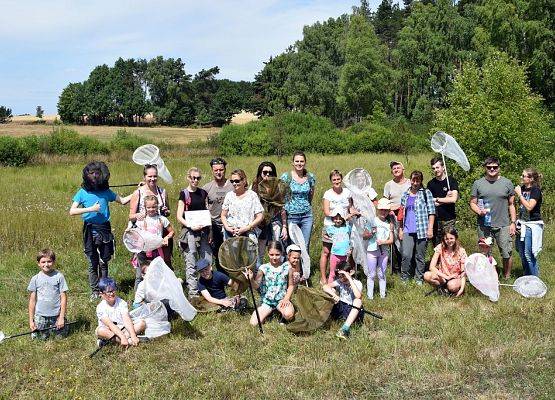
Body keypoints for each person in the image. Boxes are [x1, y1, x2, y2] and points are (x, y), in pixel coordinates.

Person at [69, 161, 132, 301]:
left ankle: (104, 289)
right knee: (93, 263)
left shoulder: (106, 192)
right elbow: (72, 211)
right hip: (90, 231)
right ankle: (94, 291)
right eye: (92, 173)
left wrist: (139, 191)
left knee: (104, 262)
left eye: (97, 173)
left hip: (105, 230)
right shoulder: (82, 192)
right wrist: (91, 209)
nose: (95, 176)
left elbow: (122, 201)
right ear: (87, 175)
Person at [470, 157, 516, 278]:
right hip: (484, 225)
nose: (492, 169)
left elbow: (511, 204)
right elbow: (472, 203)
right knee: (485, 252)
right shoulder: (478, 183)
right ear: (485, 168)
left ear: (499, 168)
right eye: (489, 167)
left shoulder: (507, 183)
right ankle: (488, 276)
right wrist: (479, 212)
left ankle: (507, 276)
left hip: (504, 224)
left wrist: (513, 222)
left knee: (506, 252)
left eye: (495, 167)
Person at [176, 167, 212, 298]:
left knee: (207, 260)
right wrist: (191, 225)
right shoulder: (184, 194)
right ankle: (193, 293)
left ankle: (208, 288)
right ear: (188, 178)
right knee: (191, 262)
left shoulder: (203, 193)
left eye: (198, 178)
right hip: (190, 233)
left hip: (204, 232)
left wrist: (210, 231)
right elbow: (179, 216)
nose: (195, 180)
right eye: (193, 178)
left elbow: (207, 212)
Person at [128, 164, 172, 267]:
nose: (153, 179)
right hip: (143, 236)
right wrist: (138, 215)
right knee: (143, 267)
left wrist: (166, 211)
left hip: (161, 234)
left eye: (155, 176)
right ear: (144, 177)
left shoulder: (162, 192)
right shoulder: (138, 193)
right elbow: (130, 216)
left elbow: (168, 212)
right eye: (150, 176)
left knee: (164, 264)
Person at [244, 241, 294, 325]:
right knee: (253, 323)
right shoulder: (263, 268)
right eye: (271, 255)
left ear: (281, 253)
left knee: (289, 315)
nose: (274, 257)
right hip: (267, 301)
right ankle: (269, 312)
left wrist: (286, 298)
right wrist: (251, 279)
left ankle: (282, 317)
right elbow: (256, 286)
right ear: (268, 254)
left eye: (277, 255)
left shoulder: (287, 267)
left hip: (281, 299)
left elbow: (291, 285)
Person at [399, 170, 435, 284]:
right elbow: (401, 213)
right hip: (407, 229)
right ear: (410, 180)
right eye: (413, 180)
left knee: (420, 255)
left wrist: (430, 228)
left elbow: (431, 212)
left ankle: (418, 278)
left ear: (421, 181)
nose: (415, 182)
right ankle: (404, 277)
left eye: (418, 180)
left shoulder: (426, 193)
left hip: (422, 229)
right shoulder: (405, 194)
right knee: (406, 255)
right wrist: (400, 229)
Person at [131, 195, 174, 290]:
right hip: (143, 251)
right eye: (149, 207)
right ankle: (137, 298)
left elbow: (172, 231)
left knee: (158, 273)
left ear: (158, 206)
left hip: (157, 251)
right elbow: (135, 233)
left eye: (154, 207)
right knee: (140, 274)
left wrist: (167, 237)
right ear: (145, 208)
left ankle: (158, 293)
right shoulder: (141, 220)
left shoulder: (162, 219)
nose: (151, 209)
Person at [320, 170, 355, 285]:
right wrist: (338, 218)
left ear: (341, 179)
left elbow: (351, 208)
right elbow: (326, 211)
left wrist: (351, 215)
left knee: (346, 252)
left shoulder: (347, 192)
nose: (336, 181)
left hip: (345, 227)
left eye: (338, 179)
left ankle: (346, 277)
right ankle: (324, 277)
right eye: (334, 179)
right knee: (326, 252)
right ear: (331, 181)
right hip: (330, 225)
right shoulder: (328, 194)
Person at [251, 161, 288, 266]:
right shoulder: (254, 187)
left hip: (275, 222)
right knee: (260, 252)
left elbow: (282, 208)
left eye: (270, 173)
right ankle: (259, 275)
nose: (267, 175)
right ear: (260, 173)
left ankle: (278, 273)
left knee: (276, 249)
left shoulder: (278, 187)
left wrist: (284, 226)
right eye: (265, 172)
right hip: (260, 224)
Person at [27, 249, 69, 339]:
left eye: (49, 261)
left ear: (53, 262)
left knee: (60, 338)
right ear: (38, 263)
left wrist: (61, 317)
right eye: (43, 262)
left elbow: (63, 298)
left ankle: (60, 324)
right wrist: (31, 321)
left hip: (56, 315)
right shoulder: (35, 279)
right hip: (41, 316)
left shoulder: (59, 277)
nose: (46, 264)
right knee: (38, 339)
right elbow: (32, 301)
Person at [280, 151, 316, 253]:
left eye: (301, 161)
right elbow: (281, 200)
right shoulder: (286, 177)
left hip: (307, 216)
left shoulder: (310, 177)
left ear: (305, 162)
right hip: (292, 216)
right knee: (294, 245)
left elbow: (311, 195)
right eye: (297, 161)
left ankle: (305, 268)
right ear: (293, 163)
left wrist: (305, 205)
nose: (299, 163)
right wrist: (284, 223)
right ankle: (293, 268)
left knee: (305, 245)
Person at [202, 157, 234, 270]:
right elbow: (204, 208)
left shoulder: (233, 185)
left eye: (221, 169)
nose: (219, 172)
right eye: (216, 170)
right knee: (217, 253)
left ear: (225, 170)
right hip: (214, 225)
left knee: (231, 253)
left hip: (231, 225)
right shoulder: (206, 188)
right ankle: (221, 277)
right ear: (212, 170)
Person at [95, 277, 145, 347]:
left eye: (113, 290)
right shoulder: (100, 307)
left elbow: (126, 319)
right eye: (109, 292)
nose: (112, 293)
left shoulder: (122, 302)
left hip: (123, 329)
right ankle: (129, 341)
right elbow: (110, 324)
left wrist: (133, 335)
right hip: (111, 331)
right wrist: (122, 337)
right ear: (102, 294)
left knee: (142, 323)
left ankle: (113, 342)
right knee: (100, 330)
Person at [221, 169, 264, 245]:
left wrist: (248, 227)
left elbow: (260, 216)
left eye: (237, 181)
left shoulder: (252, 195)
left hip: (248, 233)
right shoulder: (229, 195)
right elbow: (223, 215)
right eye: (232, 181)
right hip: (231, 234)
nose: (234, 183)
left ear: (244, 180)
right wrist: (227, 227)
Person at [322, 261, 363, 340]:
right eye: (339, 276)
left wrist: (349, 279)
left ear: (351, 272)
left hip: (353, 310)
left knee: (358, 301)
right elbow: (325, 287)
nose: (342, 279)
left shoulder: (357, 283)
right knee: (330, 291)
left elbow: (358, 296)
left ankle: (344, 329)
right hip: (341, 308)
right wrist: (334, 295)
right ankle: (323, 320)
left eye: (343, 276)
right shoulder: (339, 282)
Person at [514, 168, 543, 276]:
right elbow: (520, 207)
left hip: (532, 225)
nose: (521, 177)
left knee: (528, 254)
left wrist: (520, 194)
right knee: (521, 253)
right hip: (521, 223)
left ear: (531, 179)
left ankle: (535, 280)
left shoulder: (535, 190)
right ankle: (527, 278)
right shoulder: (522, 188)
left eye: (524, 176)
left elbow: (530, 207)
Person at [383, 161, 411, 274]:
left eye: (398, 167)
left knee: (407, 240)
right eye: (393, 168)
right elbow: (384, 201)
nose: (396, 170)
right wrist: (390, 210)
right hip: (393, 216)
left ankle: (409, 266)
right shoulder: (388, 185)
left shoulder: (410, 182)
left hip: (409, 215)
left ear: (403, 169)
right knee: (394, 241)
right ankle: (396, 268)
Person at [364, 198, 394, 299]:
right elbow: (364, 236)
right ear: (378, 210)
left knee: (382, 273)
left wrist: (383, 242)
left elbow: (391, 240)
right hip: (372, 251)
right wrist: (371, 233)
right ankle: (370, 296)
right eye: (381, 209)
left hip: (384, 251)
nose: (383, 212)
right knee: (371, 274)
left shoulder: (389, 224)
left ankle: (382, 296)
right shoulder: (372, 220)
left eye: (386, 210)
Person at [423, 228, 467, 296]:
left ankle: (453, 289)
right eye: (446, 239)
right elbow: (431, 267)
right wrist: (446, 277)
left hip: (455, 278)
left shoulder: (461, 251)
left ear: (456, 238)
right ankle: (443, 288)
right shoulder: (440, 247)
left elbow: (463, 272)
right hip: (443, 277)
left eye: (451, 238)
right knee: (426, 275)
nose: (449, 241)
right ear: (444, 239)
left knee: (452, 285)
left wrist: (462, 288)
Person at [427, 156, 459, 246]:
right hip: (436, 220)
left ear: (443, 167)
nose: (436, 170)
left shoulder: (451, 181)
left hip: (449, 219)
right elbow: (431, 203)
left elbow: (453, 199)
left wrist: (437, 199)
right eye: (433, 168)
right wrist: (445, 198)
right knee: (437, 246)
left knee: (450, 244)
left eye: (437, 167)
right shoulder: (431, 184)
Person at [325, 212, 352, 283]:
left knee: (344, 273)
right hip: (335, 255)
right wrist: (329, 238)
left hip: (345, 255)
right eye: (336, 219)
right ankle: (330, 288)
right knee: (333, 273)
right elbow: (325, 233)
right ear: (333, 219)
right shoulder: (331, 228)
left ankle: (342, 288)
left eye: (340, 219)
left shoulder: (347, 227)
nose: (338, 220)